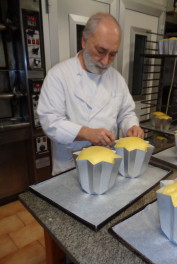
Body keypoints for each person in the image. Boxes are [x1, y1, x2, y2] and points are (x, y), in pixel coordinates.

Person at [37, 12, 144, 176]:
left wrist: (132, 126)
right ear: (84, 41)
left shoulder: (116, 78)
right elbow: (50, 121)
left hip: (107, 162)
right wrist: (86, 133)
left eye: (113, 54)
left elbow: (126, 112)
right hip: (70, 167)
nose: (105, 61)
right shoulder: (59, 75)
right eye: (101, 51)